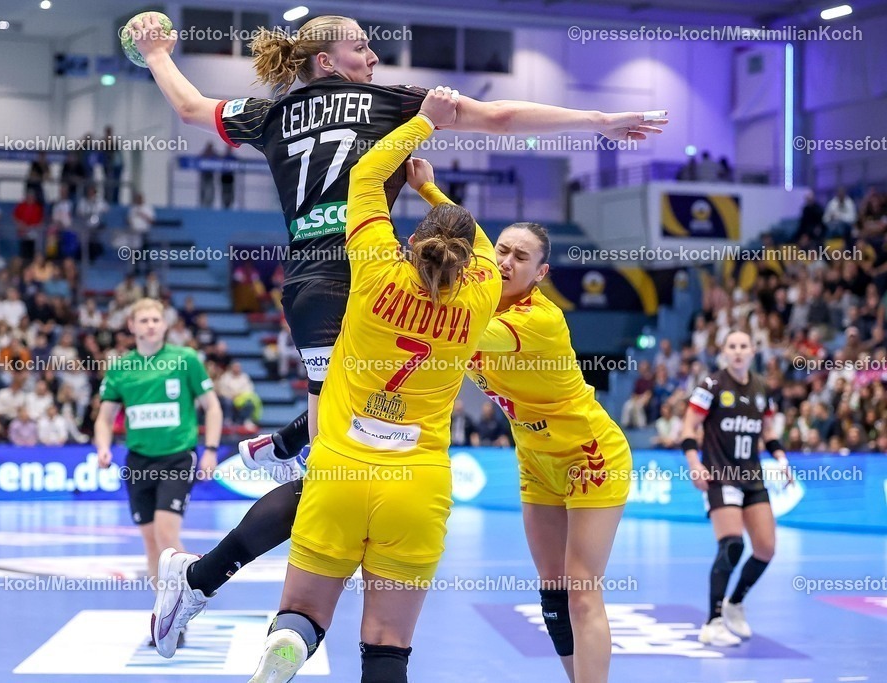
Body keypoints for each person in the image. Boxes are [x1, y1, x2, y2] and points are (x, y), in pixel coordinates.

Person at [131, 9, 665, 634]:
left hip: (311, 290)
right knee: (334, 468)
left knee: (341, 460)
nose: (374, 57)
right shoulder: (390, 103)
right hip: (363, 282)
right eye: (361, 47)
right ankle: (209, 564)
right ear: (327, 61)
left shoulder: (270, 113)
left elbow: (191, 108)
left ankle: (265, 475)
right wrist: (599, 121)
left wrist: (157, 54)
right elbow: (501, 117)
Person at [151, 94, 500, 682]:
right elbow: (482, 246)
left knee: (303, 614)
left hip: (341, 468)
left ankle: (288, 642)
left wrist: (423, 126)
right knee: (388, 645)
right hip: (418, 482)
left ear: (413, 243)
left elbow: (364, 176)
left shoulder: (376, 266)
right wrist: (436, 194)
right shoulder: (482, 294)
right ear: (467, 262)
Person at [416, 210, 630, 678]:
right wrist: (429, 191)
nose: (507, 261)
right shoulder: (481, 294)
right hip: (534, 458)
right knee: (553, 595)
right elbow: (466, 230)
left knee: (581, 590)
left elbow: (457, 330)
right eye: (502, 251)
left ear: (540, 272)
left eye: (521, 257)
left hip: (589, 454)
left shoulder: (539, 319)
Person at [94, 298, 222, 631]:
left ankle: (191, 595)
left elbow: (212, 406)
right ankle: (166, 613)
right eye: (144, 320)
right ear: (132, 326)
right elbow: (104, 418)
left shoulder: (185, 360)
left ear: (165, 325)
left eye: (156, 319)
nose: (151, 325)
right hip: (138, 461)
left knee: (167, 535)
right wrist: (103, 448)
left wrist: (210, 450)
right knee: (151, 543)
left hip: (177, 456)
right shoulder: (121, 368)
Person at [679, 330, 793, 646]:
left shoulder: (762, 389)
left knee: (766, 548)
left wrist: (782, 459)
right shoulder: (711, 385)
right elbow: (689, 426)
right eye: (733, 346)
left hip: (752, 476)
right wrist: (694, 463)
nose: (738, 351)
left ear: (753, 350)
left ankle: (735, 603)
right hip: (720, 474)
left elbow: (768, 432)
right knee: (732, 545)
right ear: (724, 351)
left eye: (744, 346)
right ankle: (712, 622)